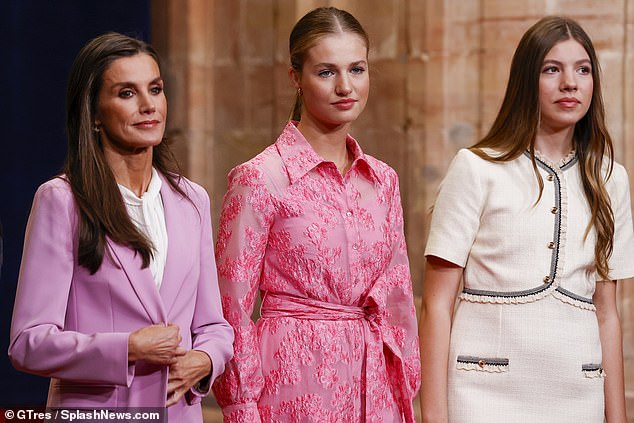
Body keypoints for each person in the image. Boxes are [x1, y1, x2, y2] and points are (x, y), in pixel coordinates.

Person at [8, 32, 233, 422]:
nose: (149, 106)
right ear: (94, 112)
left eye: (156, 89)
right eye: (127, 93)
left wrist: (205, 358)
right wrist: (127, 347)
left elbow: (214, 324)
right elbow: (28, 343)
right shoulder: (62, 200)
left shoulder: (192, 200)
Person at [419, 15, 634, 423]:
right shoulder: (476, 168)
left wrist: (618, 418)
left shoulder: (612, 179)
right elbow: (437, 303)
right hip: (482, 391)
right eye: (551, 69)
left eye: (582, 70)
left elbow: (607, 311)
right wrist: (434, 417)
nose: (570, 83)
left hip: (578, 392)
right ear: (525, 81)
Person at [212, 7, 420, 422]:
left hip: (373, 387)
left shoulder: (382, 180)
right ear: (296, 78)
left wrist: (404, 387)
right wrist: (240, 406)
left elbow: (397, 298)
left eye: (357, 69)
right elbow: (229, 307)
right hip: (292, 385)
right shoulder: (260, 178)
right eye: (326, 72)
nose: (346, 86)